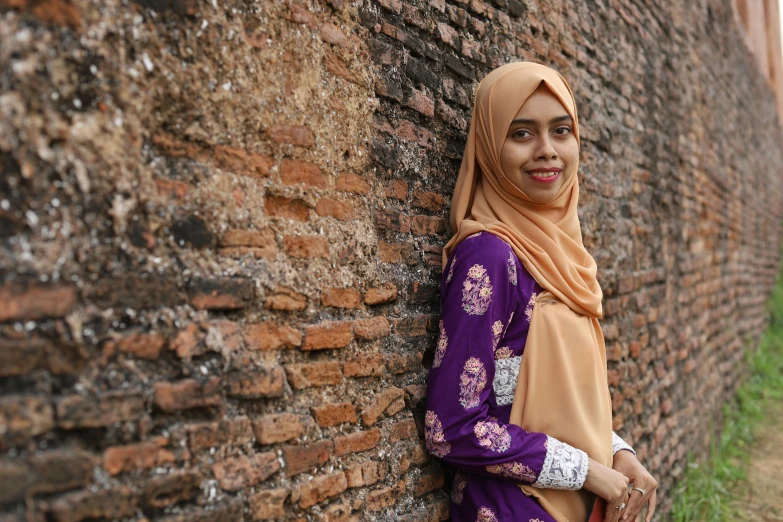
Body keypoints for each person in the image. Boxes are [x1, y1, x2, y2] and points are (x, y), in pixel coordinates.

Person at [424, 62, 658, 522]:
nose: (547, 151)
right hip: (512, 508)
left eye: (561, 131)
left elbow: (555, 396)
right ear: (490, 146)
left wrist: (616, 453)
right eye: (522, 133)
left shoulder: (566, 256)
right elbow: (450, 426)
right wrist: (585, 472)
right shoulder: (489, 257)